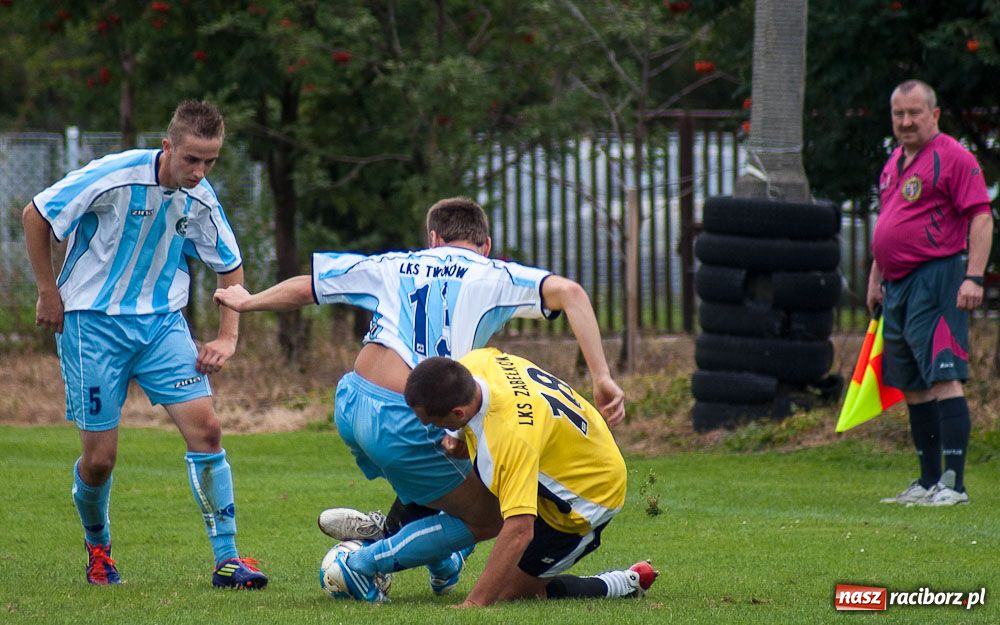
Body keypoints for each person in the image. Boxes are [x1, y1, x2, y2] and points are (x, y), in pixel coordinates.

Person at [213, 197, 624, 592]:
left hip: (351, 402)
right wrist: (602, 377)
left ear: (433, 239)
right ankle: (365, 560)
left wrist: (248, 302)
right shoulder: (493, 274)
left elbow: (309, 288)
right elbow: (571, 292)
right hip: (409, 415)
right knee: (494, 514)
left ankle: (435, 557)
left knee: (462, 468)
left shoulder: (393, 263)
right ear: (486, 245)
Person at [22, 100, 268, 588]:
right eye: (192, 159)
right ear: (167, 146)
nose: (200, 172)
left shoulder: (201, 197)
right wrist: (48, 292)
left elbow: (230, 265)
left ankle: (227, 559)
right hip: (92, 326)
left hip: (161, 326)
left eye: (210, 162)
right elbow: (36, 213)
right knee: (99, 460)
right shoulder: (114, 176)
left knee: (208, 431)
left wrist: (227, 336)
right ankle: (99, 548)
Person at [322, 348, 655, 606]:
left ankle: (620, 583)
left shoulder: (508, 439)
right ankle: (421, 549)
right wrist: (460, 439)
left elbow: (519, 529)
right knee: (457, 487)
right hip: (573, 445)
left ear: (458, 413)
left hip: (587, 496)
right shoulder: (476, 363)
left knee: (512, 592)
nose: (430, 428)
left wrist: (475, 603)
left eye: (433, 422)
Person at [867, 79, 994, 507]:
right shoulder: (894, 162)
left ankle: (954, 484)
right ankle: (927, 482)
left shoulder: (953, 157)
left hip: (936, 278)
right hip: (896, 285)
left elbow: (981, 216)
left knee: (943, 376)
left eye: (914, 113)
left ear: (934, 114)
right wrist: (876, 277)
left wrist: (973, 277)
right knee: (913, 385)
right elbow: (890, 221)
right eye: (898, 114)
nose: (906, 122)